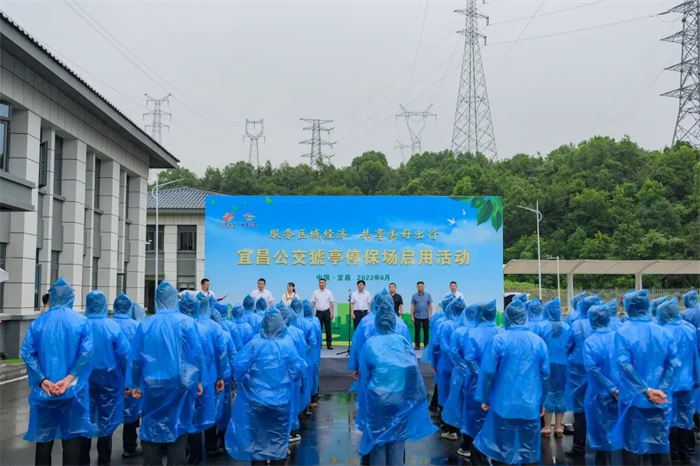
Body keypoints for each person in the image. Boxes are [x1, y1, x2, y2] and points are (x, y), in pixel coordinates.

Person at [128, 281, 204, 466]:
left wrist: (134, 384)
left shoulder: (146, 324)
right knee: (178, 428)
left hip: (152, 385)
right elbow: (197, 355)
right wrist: (199, 381)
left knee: (152, 427)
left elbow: (135, 358)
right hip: (180, 384)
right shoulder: (187, 322)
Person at [355, 299, 437, 465]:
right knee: (397, 441)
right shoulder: (403, 342)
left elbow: (364, 379)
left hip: (377, 399)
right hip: (399, 398)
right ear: (393, 321)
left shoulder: (370, 344)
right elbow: (412, 371)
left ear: (377, 321)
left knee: (377, 439)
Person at [21, 278, 93, 466]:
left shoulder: (38, 323)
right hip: (73, 391)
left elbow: (27, 352)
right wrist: (68, 379)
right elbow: (86, 354)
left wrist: (43, 380)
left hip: (44, 392)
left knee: (44, 438)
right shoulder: (81, 322)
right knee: (72, 440)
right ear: (71, 297)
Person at [472, 299, 549, 466]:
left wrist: (484, 398)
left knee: (502, 450)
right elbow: (545, 375)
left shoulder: (498, 340)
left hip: (502, 403)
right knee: (528, 450)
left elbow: (488, 373)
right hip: (530, 404)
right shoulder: (538, 342)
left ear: (507, 317)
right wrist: (542, 401)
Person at [225, 309, 306, 466]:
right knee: (278, 443)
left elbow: (238, 366)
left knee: (258, 444)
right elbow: (300, 368)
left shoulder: (254, 345)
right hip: (281, 402)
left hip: (256, 401)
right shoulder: (287, 345)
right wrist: (289, 378)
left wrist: (247, 382)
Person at [610, 290, 679, 466]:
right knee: (660, 443)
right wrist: (660, 389)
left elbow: (624, 365)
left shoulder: (622, 332)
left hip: (633, 397)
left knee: (632, 444)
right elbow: (673, 364)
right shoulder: (663, 332)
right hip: (660, 398)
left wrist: (646, 390)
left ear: (627, 307)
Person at [79, 290, 130, 466]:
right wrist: (128, 380)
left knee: (84, 418)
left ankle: (83, 460)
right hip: (110, 380)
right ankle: (103, 461)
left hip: (83, 380)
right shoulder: (112, 326)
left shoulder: (80, 324)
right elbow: (124, 355)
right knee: (106, 421)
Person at [450, 300, 503, 462]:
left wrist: (482, 379)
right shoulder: (501, 332)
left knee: (474, 422)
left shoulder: (471, 334)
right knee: (495, 422)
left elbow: (470, 359)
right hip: (498, 386)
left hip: (475, 385)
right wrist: (492, 379)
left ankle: (478, 458)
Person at [658, 298, 699, 466]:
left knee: (670, 418)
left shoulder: (662, 332)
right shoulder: (689, 330)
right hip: (687, 381)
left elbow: (660, 361)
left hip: (668, 383)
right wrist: (696, 378)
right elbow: (695, 356)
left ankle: (672, 453)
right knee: (686, 417)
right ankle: (686, 454)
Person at [583, 304, 620, 466]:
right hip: (622, 393)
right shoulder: (619, 337)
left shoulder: (590, 342)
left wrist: (609, 388)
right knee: (621, 432)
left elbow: (592, 369)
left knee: (602, 436)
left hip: (599, 395)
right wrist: (617, 388)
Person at [565, 294, 600, 457]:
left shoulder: (576, 324)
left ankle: (579, 447)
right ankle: (600, 445)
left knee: (580, 411)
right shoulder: (604, 324)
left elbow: (568, 346)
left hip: (579, 372)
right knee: (600, 407)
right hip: (600, 372)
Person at [195, 293, 227, 461]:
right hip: (211, 375)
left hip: (191, 377)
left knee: (192, 413)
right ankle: (210, 445)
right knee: (209, 409)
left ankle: (192, 452)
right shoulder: (215, 327)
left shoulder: (187, 323)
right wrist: (222, 375)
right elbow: (222, 354)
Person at [112, 293, 143, 458]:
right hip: (130, 375)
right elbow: (140, 354)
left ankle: (100, 454)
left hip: (108, 377)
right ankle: (129, 446)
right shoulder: (136, 326)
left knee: (103, 413)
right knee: (132, 410)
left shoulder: (108, 324)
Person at [277, 303, 309, 442]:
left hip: (276, 377)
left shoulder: (263, 338)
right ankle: (289, 431)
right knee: (291, 402)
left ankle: (277, 433)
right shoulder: (296, 333)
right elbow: (301, 355)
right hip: (292, 376)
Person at [436, 297, 466, 441]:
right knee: (458, 396)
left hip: (447, 365)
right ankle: (459, 425)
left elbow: (440, 347)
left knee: (446, 395)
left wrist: (439, 364)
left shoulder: (445, 324)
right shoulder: (466, 323)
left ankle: (450, 427)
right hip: (462, 367)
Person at [422, 294, 455, 412]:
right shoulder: (462, 323)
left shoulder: (440, 320)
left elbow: (435, 344)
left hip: (442, 359)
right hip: (457, 362)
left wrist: (435, 362)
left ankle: (438, 408)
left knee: (442, 383)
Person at [541, 297, 569, 438]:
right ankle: (558, 426)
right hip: (564, 365)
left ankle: (547, 427)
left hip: (547, 365)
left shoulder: (543, 327)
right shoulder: (567, 328)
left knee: (547, 393)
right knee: (561, 393)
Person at [311, 278, 335, 350]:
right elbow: (313, 303)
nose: (321, 284)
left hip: (327, 312)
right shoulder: (315, 292)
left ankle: (329, 344)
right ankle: (319, 344)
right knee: (318, 329)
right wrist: (313, 312)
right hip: (318, 312)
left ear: (325, 284)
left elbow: (331, 303)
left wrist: (332, 312)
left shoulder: (329, 292)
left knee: (328, 329)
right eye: (320, 282)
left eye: (322, 282)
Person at [411, 281, 433, 351]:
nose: (420, 287)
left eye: (421, 286)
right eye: (419, 286)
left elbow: (430, 305)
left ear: (424, 286)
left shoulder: (428, 295)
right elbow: (412, 306)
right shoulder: (414, 296)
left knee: (426, 331)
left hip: (426, 316)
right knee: (417, 332)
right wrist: (412, 316)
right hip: (416, 316)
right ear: (417, 287)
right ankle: (417, 345)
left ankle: (426, 345)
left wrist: (430, 315)